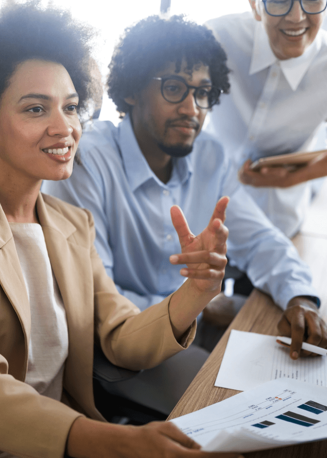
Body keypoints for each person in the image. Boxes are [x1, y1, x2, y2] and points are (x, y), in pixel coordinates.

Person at [0, 4, 243, 458]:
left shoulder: (73, 225)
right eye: (36, 108)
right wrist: (116, 440)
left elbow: (120, 336)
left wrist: (195, 292)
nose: (65, 128)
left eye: (72, 107)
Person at [43, 15, 327, 360]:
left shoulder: (210, 156)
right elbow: (96, 298)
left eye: (203, 93)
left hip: (188, 317)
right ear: (132, 90)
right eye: (174, 88)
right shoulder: (87, 162)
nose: (191, 109)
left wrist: (300, 298)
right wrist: (199, 305)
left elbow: (261, 241)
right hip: (120, 342)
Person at [206, 0, 327, 238]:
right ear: (254, 5)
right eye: (280, 0)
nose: (296, 17)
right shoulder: (216, 38)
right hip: (201, 211)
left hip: (277, 222)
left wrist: (295, 177)